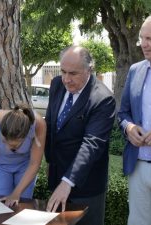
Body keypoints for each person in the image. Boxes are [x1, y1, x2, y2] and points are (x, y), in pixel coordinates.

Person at [45, 46, 116, 225]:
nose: (66, 79)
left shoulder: (102, 99)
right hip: (56, 179)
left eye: (73, 73)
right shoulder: (56, 84)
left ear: (89, 70)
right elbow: (51, 125)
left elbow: (92, 145)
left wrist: (67, 182)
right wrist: (49, 160)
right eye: (63, 72)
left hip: (86, 187)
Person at [118, 13, 151, 225]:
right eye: (142, 38)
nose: (143, 44)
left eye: (150, 39)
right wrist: (129, 128)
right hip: (136, 167)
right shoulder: (135, 70)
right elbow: (123, 113)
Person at [0, 104, 46, 207]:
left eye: (14, 145)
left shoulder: (38, 125)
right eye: (4, 141)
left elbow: (35, 163)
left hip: (26, 166)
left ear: (25, 135)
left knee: (22, 204)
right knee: (0, 204)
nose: (8, 147)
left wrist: (16, 194)